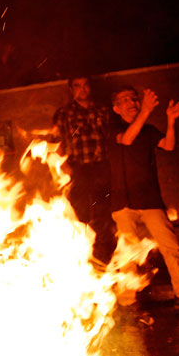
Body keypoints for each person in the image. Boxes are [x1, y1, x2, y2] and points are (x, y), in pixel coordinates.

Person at [106, 85, 179, 311]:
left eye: (134, 99)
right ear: (116, 108)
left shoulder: (148, 129)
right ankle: (129, 303)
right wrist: (145, 111)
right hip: (123, 202)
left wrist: (171, 120)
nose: (132, 103)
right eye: (125, 100)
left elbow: (169, 145)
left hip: (150, 200)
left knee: (171, 247)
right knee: (128, 255)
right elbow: (126, 139)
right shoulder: (111, 128)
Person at [51, 76, 116, 264]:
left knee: (103, 213)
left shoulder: (103, 110)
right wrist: (64, 166)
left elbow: (112, 137)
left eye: (86, 85)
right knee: (80, 213)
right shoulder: (63, 113)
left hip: (102, 166)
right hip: (77, 168)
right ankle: (83, 257)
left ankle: (104, 257)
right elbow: (56, 141)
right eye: (77, 86)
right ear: (72, 89)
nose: (82, 89)